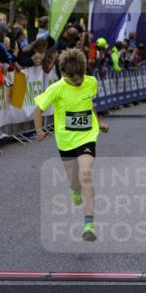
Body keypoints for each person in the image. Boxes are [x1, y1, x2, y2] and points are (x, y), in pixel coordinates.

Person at [33, 48, 109, 243]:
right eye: (74, 78)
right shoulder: (56, 88)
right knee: (75, 182)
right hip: (65, 140)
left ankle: (89, 224)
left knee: (85, 173)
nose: (79, 81)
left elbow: (88, 105)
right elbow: (38, 110)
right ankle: (75, 190)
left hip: (87, 137)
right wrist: (39, 130)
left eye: (81, 76)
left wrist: (98, 123)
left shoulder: (91, 82)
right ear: (64, 74)